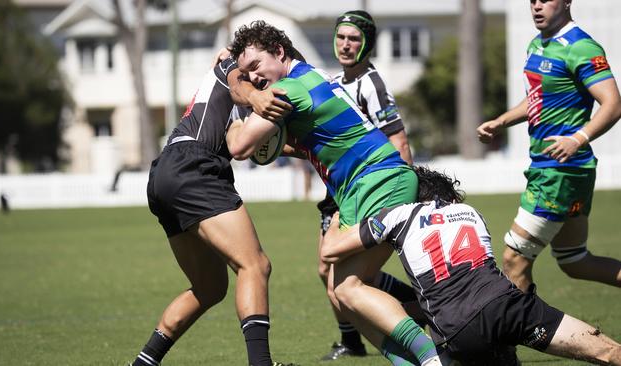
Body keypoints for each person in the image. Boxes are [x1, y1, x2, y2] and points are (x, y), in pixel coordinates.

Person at [227, 21, 441, 366]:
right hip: (361, 187)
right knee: (340, 292)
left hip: (379, 181)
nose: (253, 77)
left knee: (349, 287)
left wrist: (236, 106)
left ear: (280, 53)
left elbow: (239, 146)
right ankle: (415, 360)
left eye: (256, 66)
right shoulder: (308, 78)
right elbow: (314, 144)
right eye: (246, 71)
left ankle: (433, 356)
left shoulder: (290, 89)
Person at [321, 166, 621, 365]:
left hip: (458, 328)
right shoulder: (469, 211)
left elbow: (332, 252)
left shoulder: (397, 214)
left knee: (351, 295)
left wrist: (338, 217)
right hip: (511, 306)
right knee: (608, 351)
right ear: (449, 196)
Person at [131, 54, 295, 366]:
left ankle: (144, 362)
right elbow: (239, 89)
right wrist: (256, 93)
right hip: (194, 165)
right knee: (255, 266)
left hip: (167, 173)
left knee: (210, 287)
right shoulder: (230, 70)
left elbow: (255, 144)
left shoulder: (242, 94)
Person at [477, 0, 621, 292]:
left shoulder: (580, 46)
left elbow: (613, 104)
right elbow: (537, 97)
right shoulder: (537, 44)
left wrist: (577, 138)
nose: (537, 7)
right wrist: (502, 121)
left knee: (514, 259)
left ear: (568, 2)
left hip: (560, 172)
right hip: (559, 169)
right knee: (575, 261)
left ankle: (523, 336)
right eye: (533, 1)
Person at [316, 10, 419, 361]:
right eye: (341, 37)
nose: (346, 45)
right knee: (329, 272)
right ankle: (355, 340)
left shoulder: (370, 84)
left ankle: (416, 316)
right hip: (340, 192)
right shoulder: (335, 84)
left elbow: (398, 140)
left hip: (369, 191)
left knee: (345, 278)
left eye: (355, 39)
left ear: (367, 45)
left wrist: (400, 199)